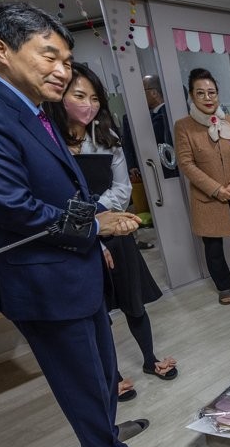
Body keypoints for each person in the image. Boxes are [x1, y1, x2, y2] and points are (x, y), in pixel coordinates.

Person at [0, 2, 167, 447]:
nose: (63, 71)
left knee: (101, 363)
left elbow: (69, 189)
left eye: (67, 60)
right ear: (2, 50)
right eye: (50, 57)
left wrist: (95, 231)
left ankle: (103, 429)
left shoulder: (36, 110)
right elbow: (11, 206)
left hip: (74, 263)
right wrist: (96, 227)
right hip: (40, 280)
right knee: (78, 374)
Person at [44, 62, 178, 394]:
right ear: (59, 97)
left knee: (134, 301)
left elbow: (121, 189)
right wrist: (92, 230)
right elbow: (55, 198)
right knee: (96, 311)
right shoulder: (48, 142)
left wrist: (103, 221)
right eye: (79, 95)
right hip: (76, 241)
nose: (88, 105)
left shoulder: (106, 137)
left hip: (115, 231)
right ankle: (113, 376)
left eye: (94, 97)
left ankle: (150, 359)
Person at [174, 67, 230, 305]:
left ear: (218, 94)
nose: (207, 98)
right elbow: (187, 164)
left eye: (211, 92)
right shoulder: (184, 127)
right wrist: (216, 189)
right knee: (213, 248)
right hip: (208, 198)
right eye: (200, 93)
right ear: (192, 96)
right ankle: (223, 286)